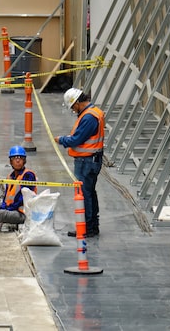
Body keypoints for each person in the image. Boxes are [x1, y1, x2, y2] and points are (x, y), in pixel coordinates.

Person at [54, 88, 104, 238]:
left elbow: (77, 139)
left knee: (85, 195)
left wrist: (62, 140)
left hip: (86, 161)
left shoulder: (88, 117)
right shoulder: (94, 112)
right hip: (92, 159)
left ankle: (87, 228)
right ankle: (93, 226)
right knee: (90, 193)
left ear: (77, 103)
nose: (73, 111)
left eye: (73, 107)